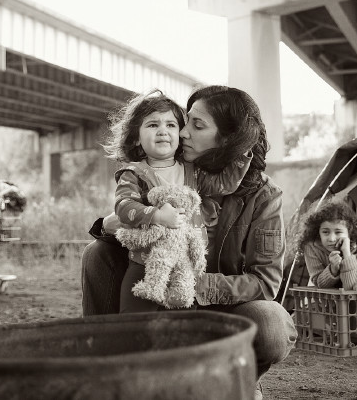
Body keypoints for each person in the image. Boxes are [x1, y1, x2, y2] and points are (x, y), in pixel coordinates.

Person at [82, 86, 296, 394]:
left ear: (227, 138)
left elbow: (265, 283)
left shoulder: (264, 195)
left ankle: (239, 385)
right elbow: (130, 210)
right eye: (185, 121)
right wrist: (110, 224)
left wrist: (195, 284)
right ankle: (105, 369)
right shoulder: (165, 168)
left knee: (271, 323)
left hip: (219, 308)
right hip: (153, 286)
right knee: (97, 252)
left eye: (197, 125)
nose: (181, 133)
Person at [99, 89, 250, 313]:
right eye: (152, 125)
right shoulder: (133, 173)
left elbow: (224, 185)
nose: (162, 131)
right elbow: (124, 208)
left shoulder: (194, 171)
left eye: (171, 125)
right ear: (136, 138)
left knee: (182, 321)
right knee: (134, 321)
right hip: (144, 263)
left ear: (180, 135)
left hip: (185, 264)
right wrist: (157, 215)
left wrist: (242, 150)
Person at [300, 198, 357, 289]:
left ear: (350, 232)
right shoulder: (311, 247)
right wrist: (333, 269)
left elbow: (352, 288)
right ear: (318, 232)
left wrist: (347, 255)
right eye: (325, 232)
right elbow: (319, 283)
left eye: (338, 232)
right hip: (323, 301)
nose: (332, 239)